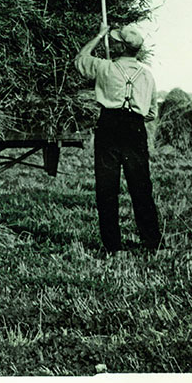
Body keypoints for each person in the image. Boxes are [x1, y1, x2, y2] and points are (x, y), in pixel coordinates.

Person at [75, 22, 161, 256]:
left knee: (107, 188)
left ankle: (113, 247)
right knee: (141, 187)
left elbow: (80, 59)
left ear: (119, 46)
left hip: (109, 128)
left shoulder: (105, 68)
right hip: (135, 129)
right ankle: (152, 242)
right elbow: (152, 113)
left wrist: (99, 34)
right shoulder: (147, 76)